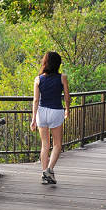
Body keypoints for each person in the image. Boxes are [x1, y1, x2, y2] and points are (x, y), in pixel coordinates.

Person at [30, 51, 70, 184]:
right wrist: (67, 110)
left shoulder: (38, 79)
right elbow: (67, 97)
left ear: (45, 63)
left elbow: (36, 100)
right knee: (57, 144)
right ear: (58, 63)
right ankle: (49, 170)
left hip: (42, 112)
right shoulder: (62, 77)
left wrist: (33, 119)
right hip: (56, 111)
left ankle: (44, 174)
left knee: (45, 145)